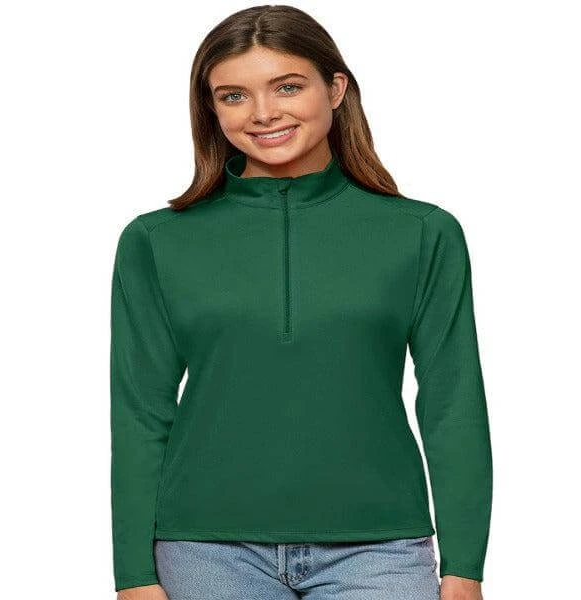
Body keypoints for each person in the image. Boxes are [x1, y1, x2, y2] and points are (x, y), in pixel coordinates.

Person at [110, 5, 493, 600]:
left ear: (335, 89)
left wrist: (464, 568)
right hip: (205, 549)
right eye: (234, 96)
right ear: (211, 109)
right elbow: (139, 412)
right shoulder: (156, 241)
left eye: (287, 86)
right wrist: (134, 575)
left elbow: (453, 403)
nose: (263, 113)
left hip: (381, 549)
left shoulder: (423, 233)